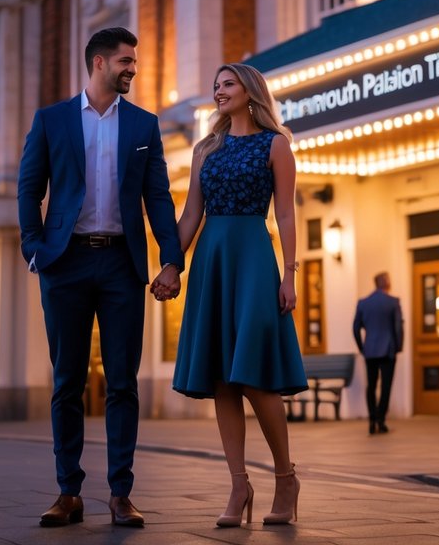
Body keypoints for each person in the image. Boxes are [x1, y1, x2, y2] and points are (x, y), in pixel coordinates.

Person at [17, 27, 184, 529]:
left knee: (122, 382)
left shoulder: (143, 125)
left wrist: (171, 259)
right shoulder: (51, 120)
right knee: (66, 380)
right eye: (125, 61)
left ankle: (120, 494)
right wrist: (34, 248)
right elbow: (30, 186)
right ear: (98, 64)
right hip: (64, 263)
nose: (132, 68)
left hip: (120, 264)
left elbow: (158, 196)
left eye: (134, 61)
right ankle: (68, 492)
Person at [154, 62, 307, 529]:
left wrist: (290, 275)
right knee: (222, 377)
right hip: (212, 264)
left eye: (227, 84)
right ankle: (239, 484)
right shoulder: (205, 148)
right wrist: (170, 263)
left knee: (255, 377)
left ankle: (286, 478)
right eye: (215, 86)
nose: (219, 92)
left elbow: (285, 214)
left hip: (255, 261)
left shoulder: (276, 144)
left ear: (250, 90)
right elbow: (190, 215)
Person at [353, 272, 404, 435]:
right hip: (388, 350)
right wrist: (398, 346)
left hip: (370, 350)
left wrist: (362, 347)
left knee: (371, 385)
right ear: (387, 283)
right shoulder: (393, 302)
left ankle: (372, 419)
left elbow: (355, 328)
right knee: (386, 386)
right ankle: (381, 419)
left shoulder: (363, 303)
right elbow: (398, 327)